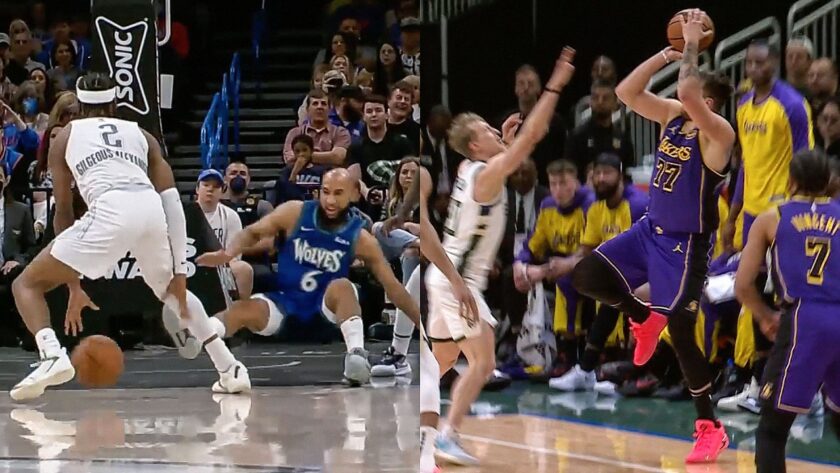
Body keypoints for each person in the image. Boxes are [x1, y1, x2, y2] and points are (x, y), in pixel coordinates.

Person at [8, 73, 251, 401]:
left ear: (79, 105)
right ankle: (230, 368)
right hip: (149, 208)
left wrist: (73, 283)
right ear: (114, 102)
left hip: (110, 208)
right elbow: (172, 203)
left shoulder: (65, 135)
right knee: (171, 291)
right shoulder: (142, 135)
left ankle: (52, 355)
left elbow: (63, 210)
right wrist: (180, 271)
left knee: (26, 284)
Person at [572, 11, 734, 462]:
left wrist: (692, 43)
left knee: (682, 333)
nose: (684, 96)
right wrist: (668, 52)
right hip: (648, 231)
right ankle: (643, 317)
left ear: (709, 101)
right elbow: (626, 92)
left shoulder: (720, 134)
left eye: (694, 94)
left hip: (685, 245)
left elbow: (686, 91)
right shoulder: (673, 117)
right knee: (587, 276)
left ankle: (709, 427)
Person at [427, 46, 576, 466]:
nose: (498, 132)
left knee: (443, 360)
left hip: (446, 279)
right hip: (459, 284)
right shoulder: (486, 173)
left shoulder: (467, 169)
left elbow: (504, 158)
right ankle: (446, 436)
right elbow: (532, 137)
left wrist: (504, 144)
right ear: (475, 144)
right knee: (484, 361)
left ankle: (415, 423)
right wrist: (555, 86)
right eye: (490, 131)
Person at [196, 169, 421, 386]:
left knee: (343, 286)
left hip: (325, 310)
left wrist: (423, 327)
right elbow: (253, 232)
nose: (330, 200)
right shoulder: (294, 212)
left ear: (353, 195)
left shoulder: (360, 237)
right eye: (326, 191)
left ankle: (356, 356)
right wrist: (226, 254)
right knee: (243, 309)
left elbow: (393, 287)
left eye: (338, 193)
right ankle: (198, 334)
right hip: (286, 304)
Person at [734, 150, 840, 473]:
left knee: (772, 428)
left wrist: (765, 316)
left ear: (791, 180)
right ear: (829, 181)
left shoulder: (772, 218)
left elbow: (743, 285)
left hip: (804, 320)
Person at [544, 153, 647, 391]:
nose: (601, 178)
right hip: (618, 272)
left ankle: (611, 366)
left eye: (607, 173)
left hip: (649, 270)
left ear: (620, 175)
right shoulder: (597, 208)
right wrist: (566, 264)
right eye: (597, 173)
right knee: (574, 281)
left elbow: (645, 251)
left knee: (615, 290)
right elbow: (586, 249)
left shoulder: (636, 205)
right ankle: (579, 362)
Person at [195, 169, 253, 299]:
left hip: (221, 266)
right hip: (192, 265)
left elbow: (234, 254)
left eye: (216, 187)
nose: (210, 189)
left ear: (222, 191)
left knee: (244, 269)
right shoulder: (185, 213)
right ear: (197, 189)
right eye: (206, 185)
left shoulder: (231, 216)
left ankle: (238, 310)